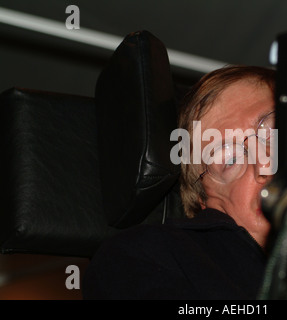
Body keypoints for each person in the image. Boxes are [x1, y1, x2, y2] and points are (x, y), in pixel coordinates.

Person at [82, 65, 276, 300]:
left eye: (272, 132)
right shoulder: (145, 258)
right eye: (230, 159)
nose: (265, 163)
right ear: (205, 201)